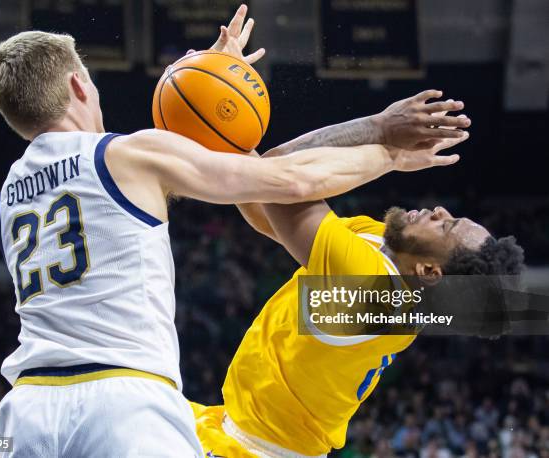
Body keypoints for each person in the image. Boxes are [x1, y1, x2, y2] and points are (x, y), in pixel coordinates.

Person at [0, 5, 471, 457]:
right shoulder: (129, 157)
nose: (440, 210)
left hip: (28, 409)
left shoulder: (10, 194)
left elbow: (270, 187)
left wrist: (214, 89)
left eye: (448, 227)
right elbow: (288, 181)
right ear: (80, 87)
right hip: (123, 401)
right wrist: (387, 146)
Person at [186, 26, 524, 455]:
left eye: (446, 227)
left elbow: (280, 177)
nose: (440, 211)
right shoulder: (380, 247)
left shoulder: (371, 294)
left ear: (429, 272)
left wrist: (382, 135)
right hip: (224, 426)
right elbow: (261, 200)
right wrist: (218, 84)